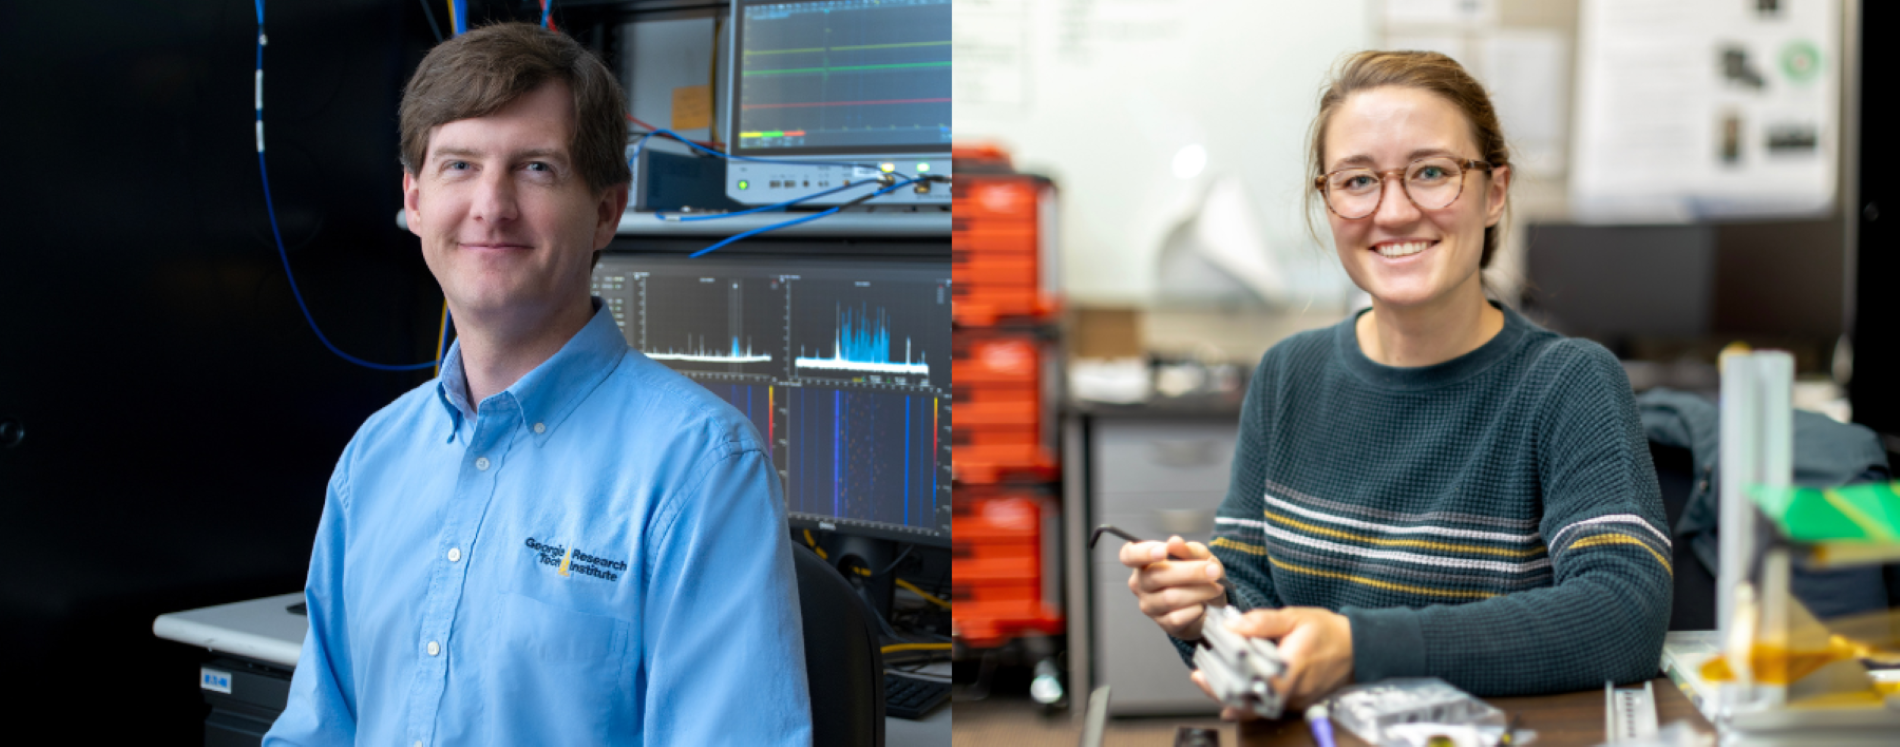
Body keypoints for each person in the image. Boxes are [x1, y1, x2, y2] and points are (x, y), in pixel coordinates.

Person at [264, 23, 812, 745]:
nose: (492, 205)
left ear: (607, 211)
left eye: (536, 168)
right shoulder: (375, 460)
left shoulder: (701, 472)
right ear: (416, 199)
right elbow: (315, 731)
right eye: (459, 165)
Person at [1117, 50, 1671, 717]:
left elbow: (1624, 613)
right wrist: (1203, 616)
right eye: (1357, 182)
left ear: (1495, 192)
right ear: (1327, 202)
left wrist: (1358, 644)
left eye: (1432, 172)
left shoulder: (1568, 382)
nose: (1395, 210)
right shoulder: (1288, 374)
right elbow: (1253, 599)